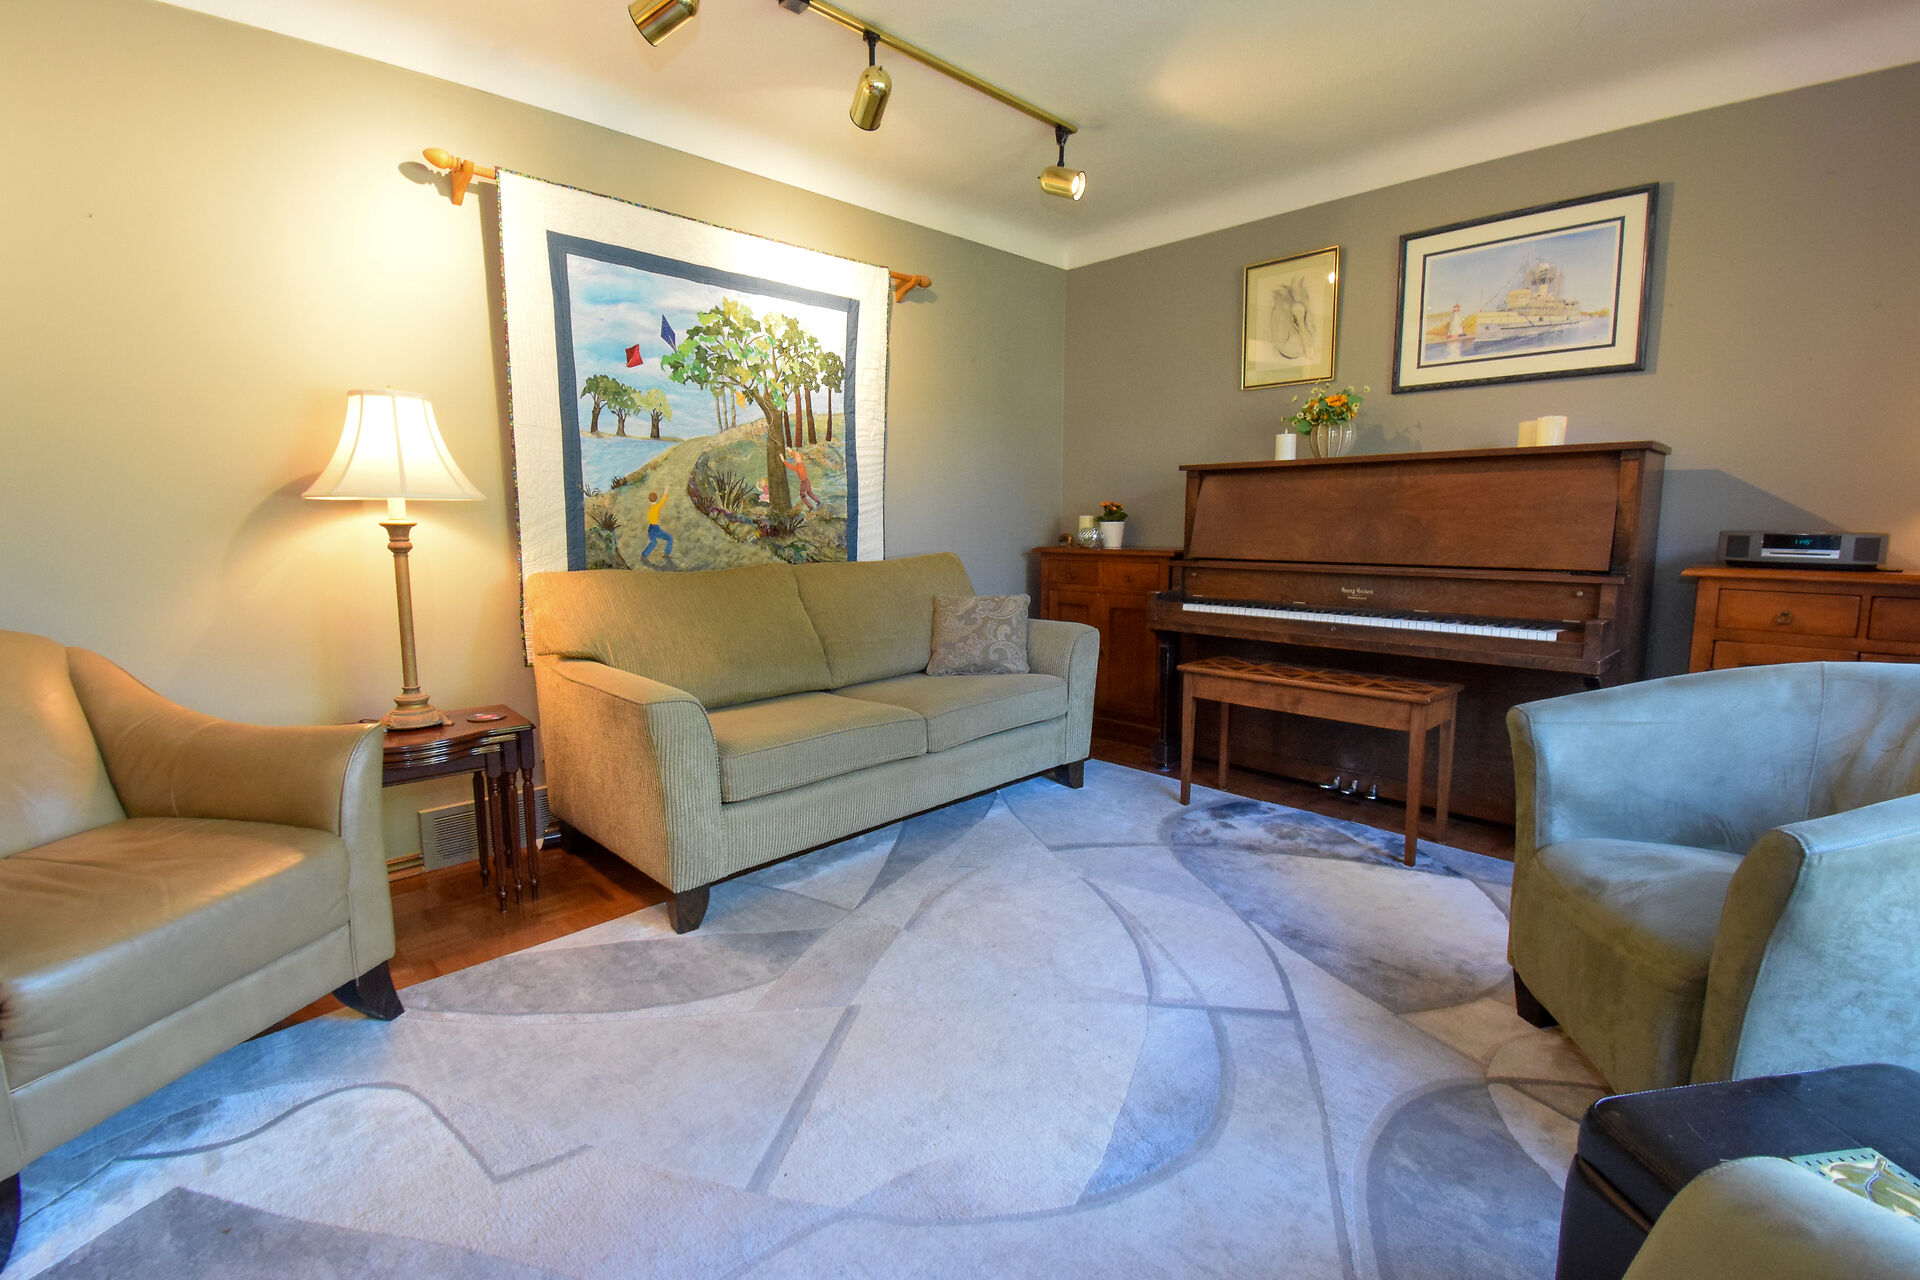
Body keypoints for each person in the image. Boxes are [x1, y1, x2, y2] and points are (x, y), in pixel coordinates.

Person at [641, 491, 673, 562]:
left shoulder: (651, 508)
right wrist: (666, 490)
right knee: (669, 538)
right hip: (655, 528)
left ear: (649, 499)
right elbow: (663, 500)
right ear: (656, 498)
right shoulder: (656, 507)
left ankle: (644, 555)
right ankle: (666, 554)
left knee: (653, 542)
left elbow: (649, 518)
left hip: (650, 528)